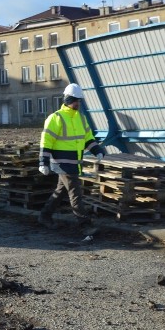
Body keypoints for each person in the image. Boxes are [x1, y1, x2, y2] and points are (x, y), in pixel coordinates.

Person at [38, 83, 106, 235]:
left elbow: (88, 138)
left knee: (61, 191)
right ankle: (84, 225)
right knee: (75, 193)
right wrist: (43, 162)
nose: (78, 103)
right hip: (62, 163)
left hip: (74, 163)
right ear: (68, 99)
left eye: (80, 100)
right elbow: (46, 141)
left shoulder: (81, 119)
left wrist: (97, 150)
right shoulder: (55, 118)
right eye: (76, 100)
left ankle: (44, 215)